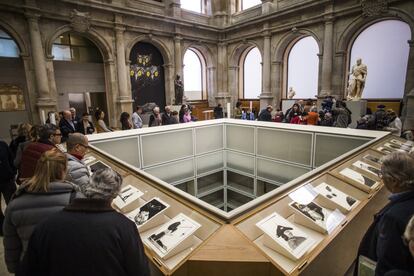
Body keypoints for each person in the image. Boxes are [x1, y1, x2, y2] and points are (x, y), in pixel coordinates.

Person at [20, 168, 150, 276]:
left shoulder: (47, 225)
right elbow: (140, 271)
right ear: (115, 195)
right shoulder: (124, 227)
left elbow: (28, 270)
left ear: (89, 186)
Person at [3, 149, 80, 274]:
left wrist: (15, 268)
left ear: (38, 168)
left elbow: (11, 243)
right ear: (63, 170)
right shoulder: (76, 199)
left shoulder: (15, 203)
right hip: (65, 266)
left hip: (32, 267)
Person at [356, 151, 414, 276]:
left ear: (394, 181)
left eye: (381, 174)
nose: (381, 177)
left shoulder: (392, 217)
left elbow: (387, 262)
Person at [0, 139, 17, 236]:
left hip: (7, 180)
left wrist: (13, 172)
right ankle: (2, 229)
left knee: (13, 203)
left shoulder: (2, 144)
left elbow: (11, 159)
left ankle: (14, 225)